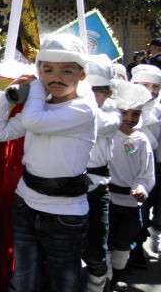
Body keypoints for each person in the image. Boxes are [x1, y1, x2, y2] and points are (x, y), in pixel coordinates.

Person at [0, 33, 97, 291]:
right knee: (22, 282)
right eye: (47, 70)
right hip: (25, 204)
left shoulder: (84, 109)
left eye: (66, 71)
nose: (56, 78)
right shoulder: (40, 108)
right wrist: (6, 97)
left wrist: (36, 86)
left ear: (82, 75)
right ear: (39, 70)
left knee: (64, 285)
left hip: (65, 214)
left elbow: (33, 121)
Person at [107, 80, 155, 290]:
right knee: (105, 242)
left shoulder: (142, 140)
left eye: (135, 114)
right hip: (108, 200)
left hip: (130, 203)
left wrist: (141, 189)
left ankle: (116, 275)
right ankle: (104, 280)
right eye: (124, 113)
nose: (129, 118)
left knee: (123, 243)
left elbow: (146, 173)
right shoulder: (107, 135)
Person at [83, 55, 121, 292]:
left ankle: (99, 283)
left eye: (97, 91)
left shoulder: (112, 112)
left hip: (97, 187)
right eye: (88, 89)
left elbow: (98, 122)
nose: (92, 95)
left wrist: (79, 96)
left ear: (108, 92)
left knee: (96, 248)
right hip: (68, 185)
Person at [128, 63, 161, 268]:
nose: (151, 90)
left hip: (155, 168)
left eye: (155, 86)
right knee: (135, 213)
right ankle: (132, 252)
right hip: (128, 169)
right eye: (145, 85)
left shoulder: (158, 109)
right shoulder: (125, 108)